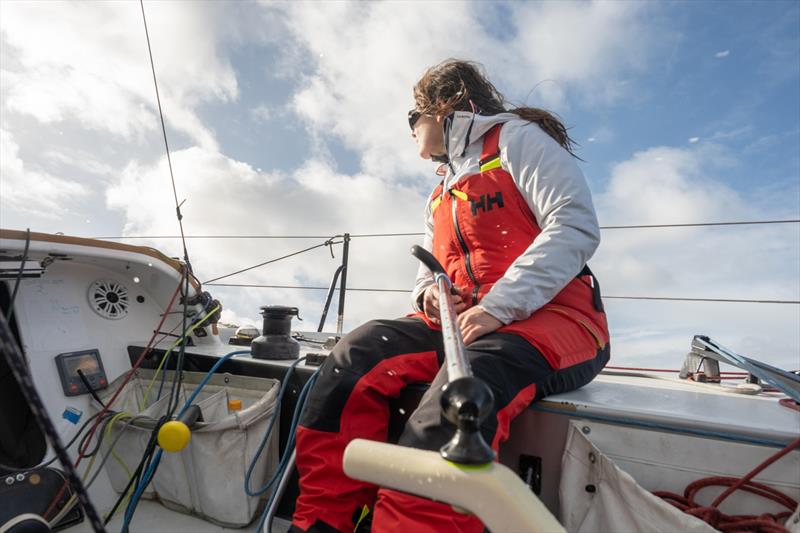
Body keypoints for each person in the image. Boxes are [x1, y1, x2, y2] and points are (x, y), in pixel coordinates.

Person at [290, 59, 610, 533]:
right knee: (353, 356)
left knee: (462, 393)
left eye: (411, 119)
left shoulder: (518, 141)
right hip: (466, 324)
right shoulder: (440, 190)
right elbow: (427, 275)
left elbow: (575, 225)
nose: (411, 132)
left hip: (556, 318)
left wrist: (498, 307)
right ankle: (324, 522)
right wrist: (430, 300)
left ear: (440, 107)